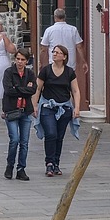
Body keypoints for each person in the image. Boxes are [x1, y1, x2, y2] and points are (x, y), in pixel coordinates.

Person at [34, 43, 82, 177]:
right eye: (53, 52)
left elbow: (75, 90)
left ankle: (56, 163)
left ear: (64, 56)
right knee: (51, 134)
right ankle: (49, 162)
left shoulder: (69, 72)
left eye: (58, 52)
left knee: (59, 137)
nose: (54, 54)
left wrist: (77, 107)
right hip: (48, 107)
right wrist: (35, 105)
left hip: (65, 107)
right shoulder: (45, 70)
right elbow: (37, 89)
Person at [2, 49, 37, 181]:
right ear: (14, 59)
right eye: (18, 59)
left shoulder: (30, 74)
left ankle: (21, 168)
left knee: (25, 142)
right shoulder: (8, 72)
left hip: (26, 110)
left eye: (23, 60)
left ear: (27, 61)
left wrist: (18, 88)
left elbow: (33, 89)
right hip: (11, 110)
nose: (20, 62)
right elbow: (8, 90)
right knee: (14, 139)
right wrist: (24, 90)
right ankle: (10, 165)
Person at [40, 8, 85, 80]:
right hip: (70, 63)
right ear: (65, 17)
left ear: (55, 17)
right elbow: (79, 47)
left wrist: (41, 62)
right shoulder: (73, 30)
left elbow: (43, 49)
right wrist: (84, 61)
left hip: (54, 63)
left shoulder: (49, 30)